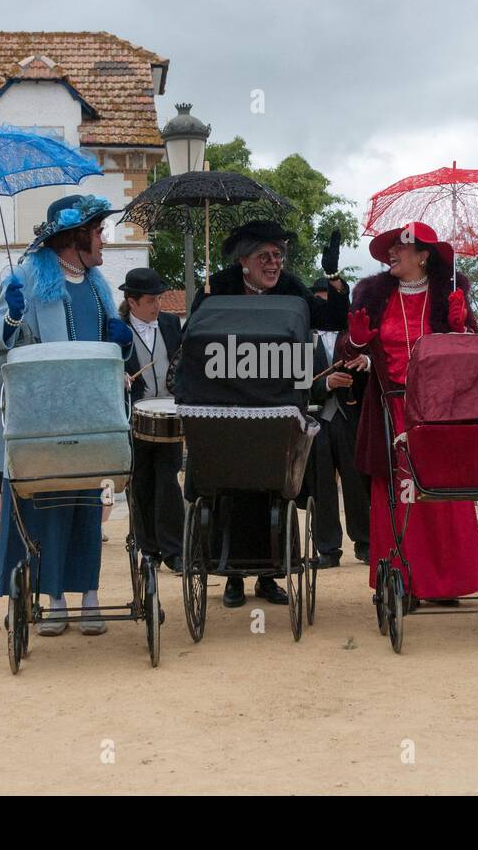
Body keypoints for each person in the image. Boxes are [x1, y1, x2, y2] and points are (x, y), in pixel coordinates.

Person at [0, 195, 133, 635]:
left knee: (89, 502)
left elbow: (111, 350)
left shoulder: (98, 284)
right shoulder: (27, 275)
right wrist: (12, 315)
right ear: (76, 236)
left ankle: (89, 595)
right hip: (41, 416)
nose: (104, 240)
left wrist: (120, 340)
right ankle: (51, 597)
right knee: (45, 503)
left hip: (90, 414)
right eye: (98, 231)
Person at [187, 220, 349, 608]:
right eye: (265, 256)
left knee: (272, 487)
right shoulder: (217, 287)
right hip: (225, 403)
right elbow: (194, 339)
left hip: (276, 402)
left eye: (279, 255)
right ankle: (232, 579)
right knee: (231, 487)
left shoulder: (292, 288)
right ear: (243, 260)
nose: (274, 263)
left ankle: (271, 574)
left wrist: (333, 277)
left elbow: (333, 320)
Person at [345, 221, 478, 607]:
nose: (393, 252)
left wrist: (460, 327)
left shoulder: (450, 294)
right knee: (398, 494)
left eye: (402, 247)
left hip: (439, 411)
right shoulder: (373, 295)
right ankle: (401, 579)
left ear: (424, 255)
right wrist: (355, 341)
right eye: (390, 247)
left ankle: (445, 582)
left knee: (441, 494)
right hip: (391, 408)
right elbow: (350, 348)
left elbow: (472, 353)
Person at [120, 267, 185, 573]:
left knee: (168, 482)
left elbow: (183, 362)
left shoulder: (172, 324)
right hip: (134, 418)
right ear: (131, 302)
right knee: (141, 484)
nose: (157, 305)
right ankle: (148, 550)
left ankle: (174, 550)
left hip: (170, 415)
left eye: (158, 298)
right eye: (150, 300)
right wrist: (117, 376)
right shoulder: (116, 332)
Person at [308, 276, 371, 566]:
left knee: (356, 482)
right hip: (317, 421)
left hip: (349, 419)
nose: (325, 304)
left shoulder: (352, 337)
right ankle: (328, 549)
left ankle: (365, 542)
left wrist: (358, 370)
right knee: (322, 486)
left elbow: (372, 375)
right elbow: (293, 384)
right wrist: (325, 385)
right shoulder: (302, 339)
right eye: (320, 299)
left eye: (330, 298)